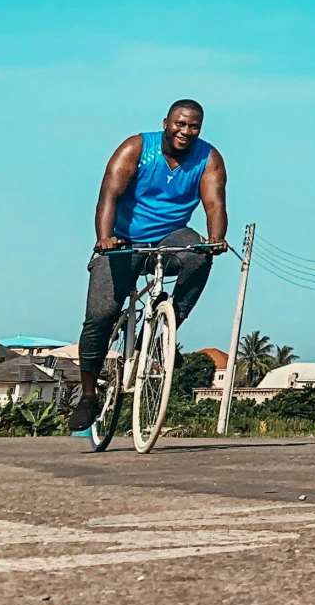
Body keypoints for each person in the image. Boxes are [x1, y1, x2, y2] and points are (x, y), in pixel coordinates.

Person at [66, 99, 229, 432]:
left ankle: (160, 336)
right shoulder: (136, 148)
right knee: (101, 316)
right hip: (123, 240)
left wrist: (216, 239)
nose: (185, 131)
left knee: (199, 256)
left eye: (193, 126)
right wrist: (105, 238)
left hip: (171, 238)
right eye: (179, 124)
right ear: (166, 122)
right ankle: (87, 395)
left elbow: (215, 204)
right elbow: (109, 195)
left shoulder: (209, 159)